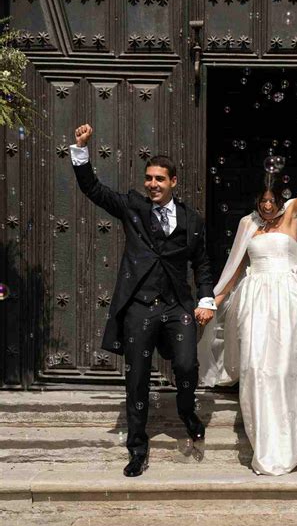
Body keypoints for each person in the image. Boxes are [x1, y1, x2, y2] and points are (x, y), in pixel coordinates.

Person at [199, 125, 297, 476]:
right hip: (256, 304)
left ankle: (293, 437)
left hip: (289, 302)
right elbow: (235, 270)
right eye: (263, 201)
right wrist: (212, 301)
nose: (269, 205)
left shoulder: (292, 215)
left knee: (289, 367)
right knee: (258, 368)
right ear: (257, 202)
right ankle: (266, 443)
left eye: (273, 200)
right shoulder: (249, 227)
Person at [70, 124, 215, 477]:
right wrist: (82, 151)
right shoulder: (132, 207)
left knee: (185, 365)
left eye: (159, 179)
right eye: (149, 178)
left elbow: (202, 263)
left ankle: (186, 409)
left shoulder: (192, 221)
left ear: (173, 182)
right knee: (136, 379)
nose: (152, 184)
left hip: (176, 306)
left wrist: (206, 298)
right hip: (139, 306)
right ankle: (137, 448)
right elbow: (94, 190)